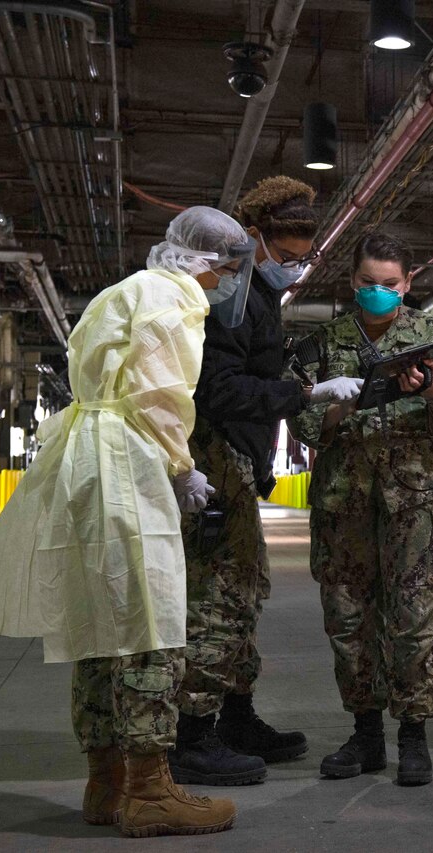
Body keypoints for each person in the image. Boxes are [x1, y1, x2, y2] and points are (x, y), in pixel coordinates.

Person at [0, 206, 251, 837]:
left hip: (87, 454)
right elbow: (161, 395)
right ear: (206, 263)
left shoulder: (124, 291)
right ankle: (150, 790)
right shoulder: (173, 300)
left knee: (98, 617)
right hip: (129, 459)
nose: (225, 283)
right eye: (225, 270)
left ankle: (105, 782)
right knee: (150, 613)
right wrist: (180, 468)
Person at [170, 177, 360, 786]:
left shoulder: (252, 295)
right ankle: (193, 734)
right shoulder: (231, 296)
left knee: (245, 589)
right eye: (284, 256)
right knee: (222, 596)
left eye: (301, 258)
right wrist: (300, 394)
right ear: (252, 237)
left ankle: (236, 716)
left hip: (238, 457)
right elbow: (218, 388)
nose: (292, 268)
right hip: (216, 454)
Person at [287, 231, 433, 786]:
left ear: (409, 283)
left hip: (416, 502)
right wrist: (332, 403)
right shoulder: (320, 344)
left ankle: (414, 735)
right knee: (349, 618)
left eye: (390, 284)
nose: (378, 292)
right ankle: (366, 734)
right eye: (368, 284)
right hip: (343, 499)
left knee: (416, 619)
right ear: (353, 281)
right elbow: (299, 422)